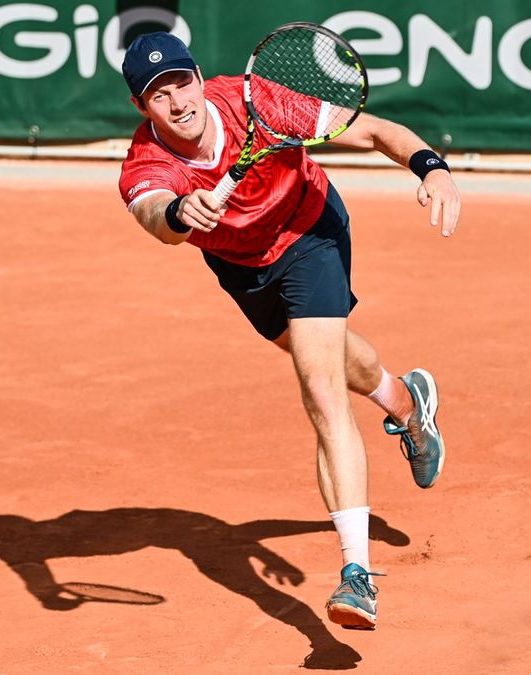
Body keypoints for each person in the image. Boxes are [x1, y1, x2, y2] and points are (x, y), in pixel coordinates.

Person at [117, 31, 460, 630]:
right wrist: (177, 213)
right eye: (158, 95)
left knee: (321, 389)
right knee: (318, 356)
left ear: (199, 77)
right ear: (142, 109)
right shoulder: (146, 162)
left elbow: (374, 131)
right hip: (240, 264)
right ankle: (408, 401)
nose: (177, 102)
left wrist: (431, 166)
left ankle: (357, 575)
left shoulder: (259, 103)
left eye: (181, 83)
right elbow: (153, 216)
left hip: (309, 232)